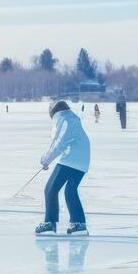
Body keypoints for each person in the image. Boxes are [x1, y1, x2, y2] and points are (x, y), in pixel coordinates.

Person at [35, 101, 90, 236]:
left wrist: (47, 159)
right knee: (70, 190)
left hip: (72, 159)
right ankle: (79, 223)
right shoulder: (70, 119)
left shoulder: (64, 120)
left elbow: (59, 142)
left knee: (50, 189)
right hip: (81, 160)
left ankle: (49, 223)